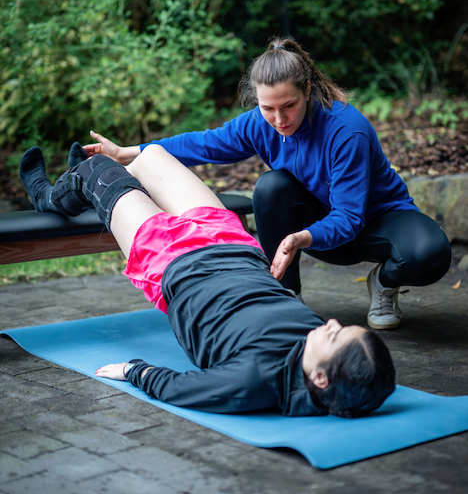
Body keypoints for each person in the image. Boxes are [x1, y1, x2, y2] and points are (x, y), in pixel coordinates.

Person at [83, 37, 452, 330]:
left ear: (308, 90)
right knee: (271, 186)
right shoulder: (261, 124)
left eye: (288, 105)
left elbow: (350, 217)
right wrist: (129, 152)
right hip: (320, 230)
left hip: (377, 222)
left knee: (430, 254)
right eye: (267, 108)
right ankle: (286, 296)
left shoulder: (346, 131)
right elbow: (204, 143)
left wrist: (302, 237)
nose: (279, 119)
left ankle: (384, 284)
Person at [19, 142, 395, 418]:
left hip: (173, 261)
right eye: (341, 328)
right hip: (233, 244)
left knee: (98, 170)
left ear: (321, 379)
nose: (331, 323)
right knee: (151, 157)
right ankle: (82, 187)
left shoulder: (254, 380)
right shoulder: (315, 346)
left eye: (334, 336)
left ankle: (50, 196)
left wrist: (133, 370)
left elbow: (178, 387)